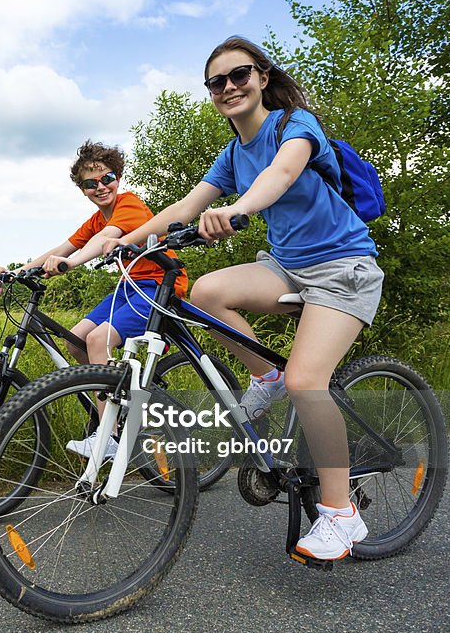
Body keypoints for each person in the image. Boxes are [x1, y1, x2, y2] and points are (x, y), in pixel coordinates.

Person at [103, 36, 384, 562]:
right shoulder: (233, 152)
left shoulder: (295, 125)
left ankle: (342, 514)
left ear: (261, 77)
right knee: (206, 291)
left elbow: (280, 175)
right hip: (287, 267)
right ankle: (265, 377)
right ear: (210, 92)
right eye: (217, 81)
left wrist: (238, 212)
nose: (229, 87)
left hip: (343, 268)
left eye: (240, 75)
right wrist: (129, 240)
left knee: (308, 381)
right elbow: (188, 204)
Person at [0, 140, 188, 459]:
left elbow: (104, 240)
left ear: (118, 178)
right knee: (76, 341)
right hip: (130, 287)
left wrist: (73, 263)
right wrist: (17, 271)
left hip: (159, 286)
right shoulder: (96, 219)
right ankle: (119, 398)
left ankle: (108, 435)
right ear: (82, 189)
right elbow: (61, 248)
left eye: (106, 178)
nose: (100, 187)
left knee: (98, 339)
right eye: (90, 183)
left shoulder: (130, 204)